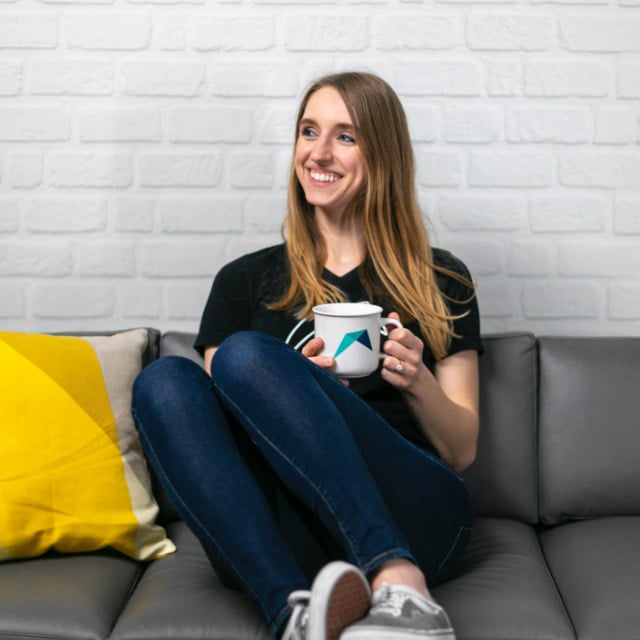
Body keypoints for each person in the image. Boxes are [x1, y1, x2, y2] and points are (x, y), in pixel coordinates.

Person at [131, 71, 481, 640]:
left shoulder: (441, 278)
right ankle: (293, 615)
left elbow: (461, 450)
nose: (318, 153)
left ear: (383, 153)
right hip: (287, 532)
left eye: (346, 136)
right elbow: (221, 439)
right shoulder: (245, 281)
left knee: (248, 355)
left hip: (416, 517)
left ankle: (401, 584)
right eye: (308, 131)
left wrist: (417, 380)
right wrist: (299, 397)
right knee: (164, 379)